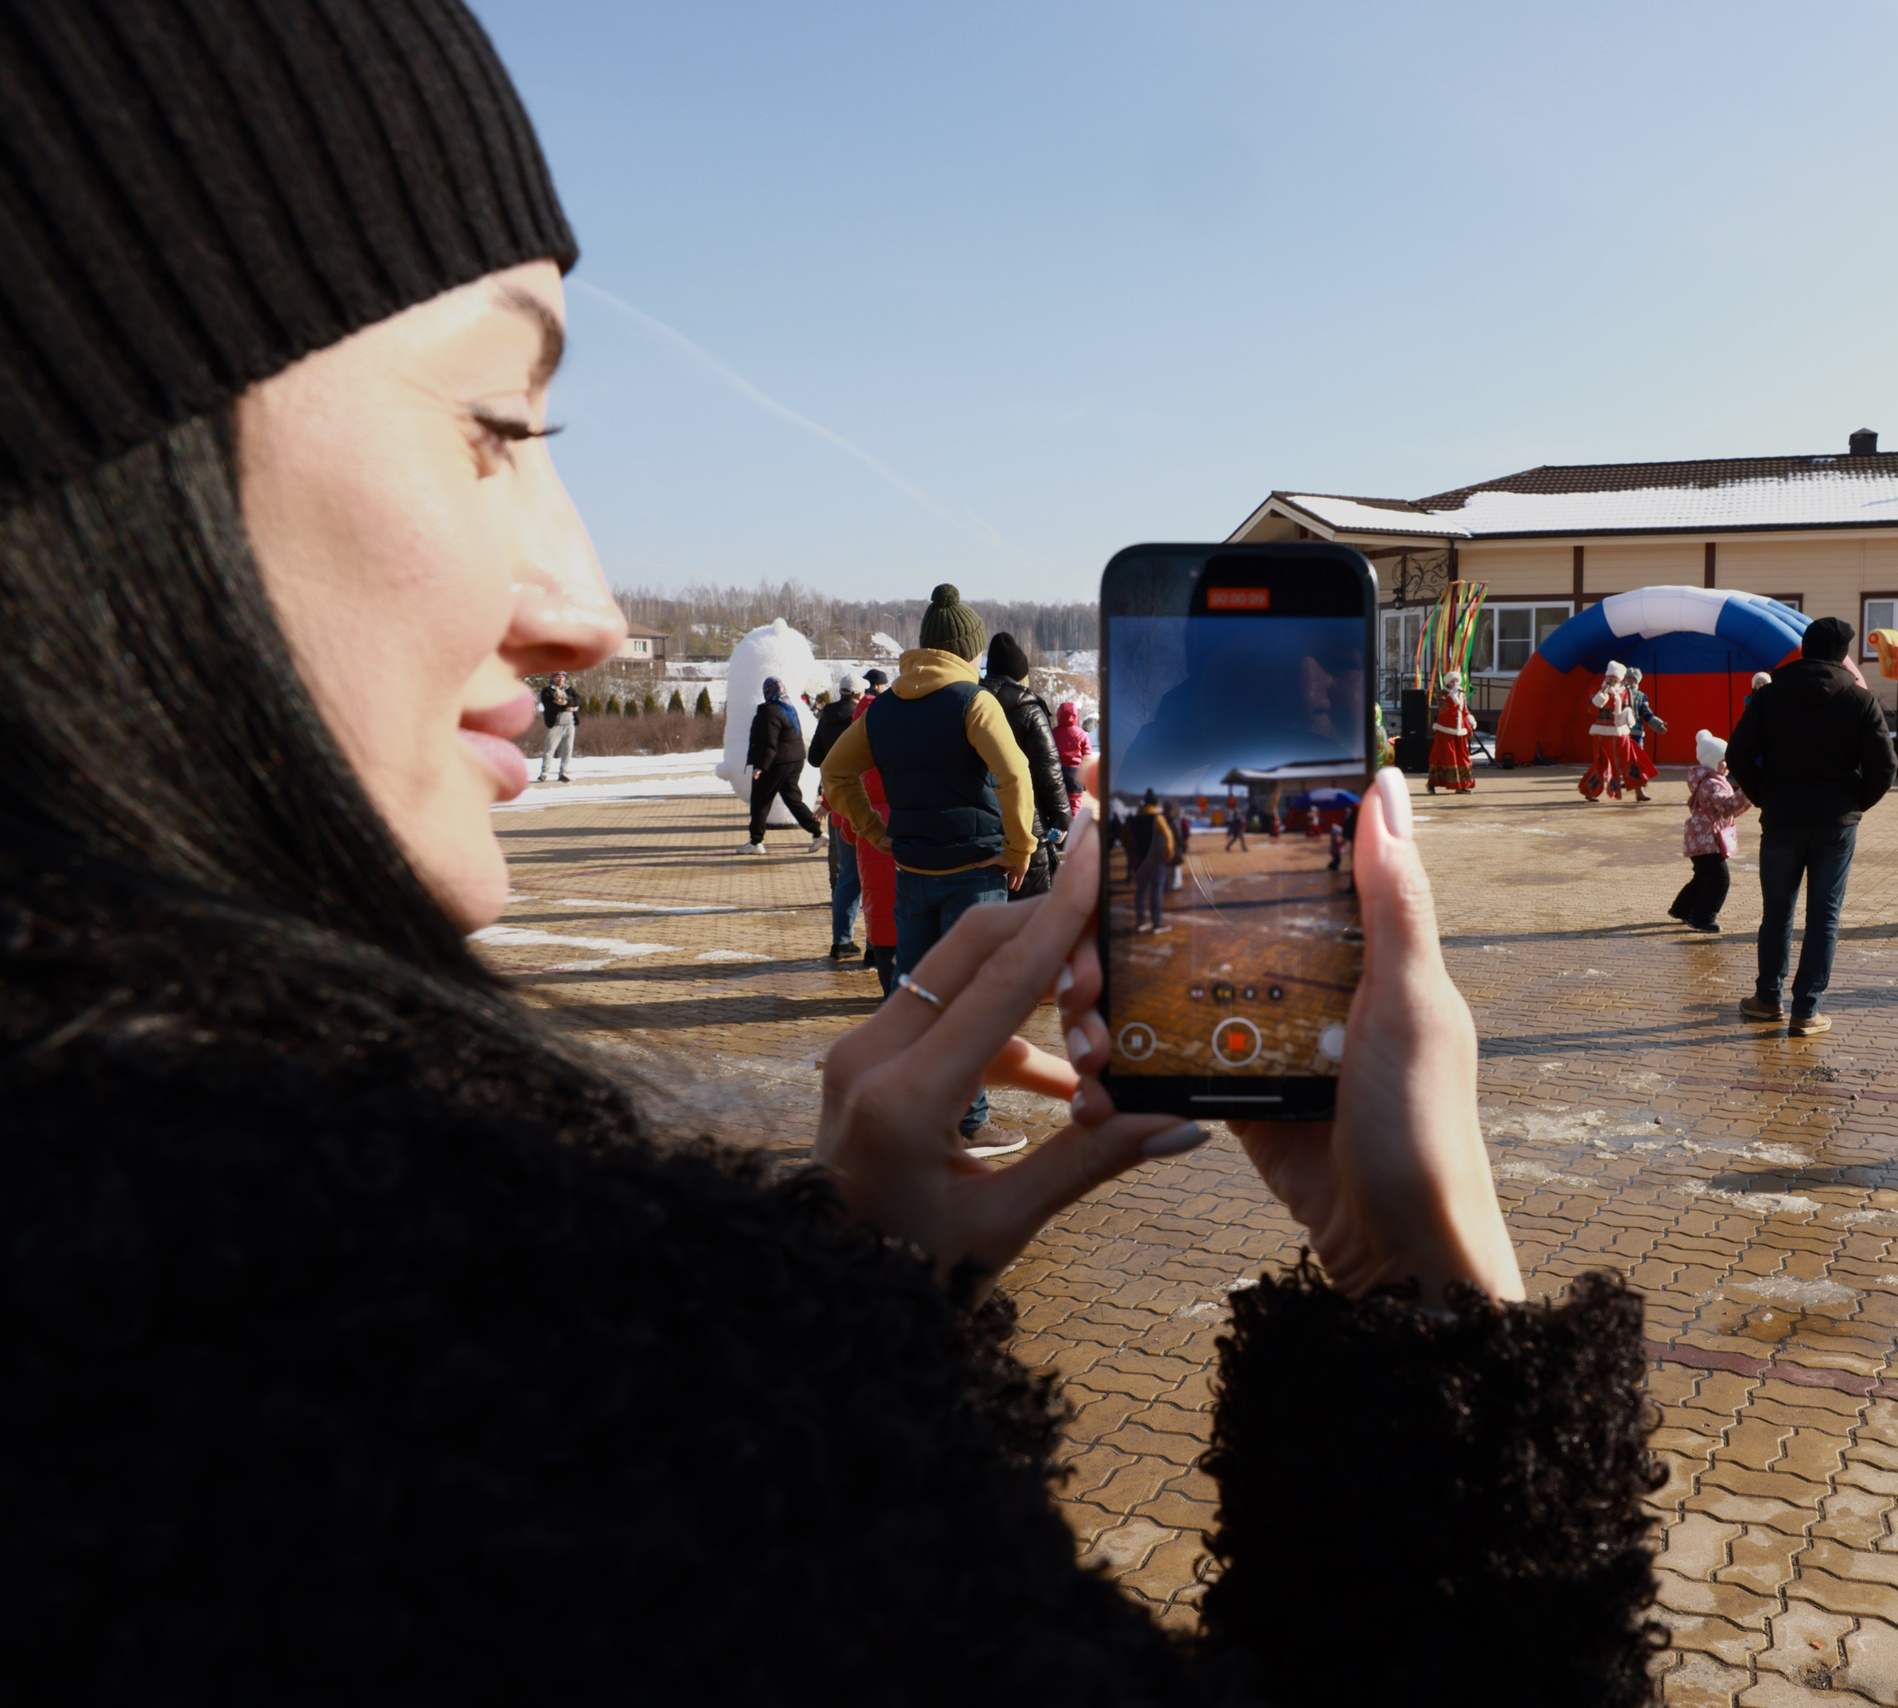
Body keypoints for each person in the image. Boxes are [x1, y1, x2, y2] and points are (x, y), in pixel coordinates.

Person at [0, 7, 1662, 1698]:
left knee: (920, 1004)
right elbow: (1033, 810)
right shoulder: (519, 1393)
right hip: (984, 893)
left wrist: (848, 867)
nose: (587, 608)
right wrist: (1420, 1293)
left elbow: (845, 780)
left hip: (897, 892)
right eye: (498, 423)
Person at [819, 585, 1037, 1152]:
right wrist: (1020, 849)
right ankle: (968, 1123)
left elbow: (835, 777)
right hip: (975, 871)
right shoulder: (974, 700)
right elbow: (1015, 776)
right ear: (966, 649)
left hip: (913, 872)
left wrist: (876, 833)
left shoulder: (884, 707)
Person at [1723, 615, 1895, 1037]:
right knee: (1824, 917)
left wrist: (1766, 794)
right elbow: (1885, 765)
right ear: (1843, 655)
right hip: (1836, 822)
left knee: (1777, 912)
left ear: (1804, 648)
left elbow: (1738, 753)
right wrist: (1855, 803)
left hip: (1782, 817)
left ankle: (1767, 999)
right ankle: (1806, 1011)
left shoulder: (1769, 697)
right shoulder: (1860, 700)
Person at [985, 632, 1073, 900]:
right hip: (1027, 817)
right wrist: (1061, 816)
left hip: (982, 817)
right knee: (1031, 909)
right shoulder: (1028, 706)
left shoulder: (971, 701)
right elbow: (1048, 768)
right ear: (1021, 673)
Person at [811, 672, 870, 960]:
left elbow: (813, 758)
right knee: (875, 878)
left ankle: (841, 941)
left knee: (847, 876)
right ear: (860, 694)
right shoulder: (866, 721)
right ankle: (877, 945)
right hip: (869, 808)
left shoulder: (826, 717)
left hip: (837, 805)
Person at [1669, 731, 1748, 932]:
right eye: (1723, 762)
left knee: (1703, 877)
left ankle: (1681, 909)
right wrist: (1747, 792)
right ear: (1712, 761)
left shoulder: (1709, 780)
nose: (1726, 766)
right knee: (1719, 880)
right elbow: (1727, 806)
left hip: (1700, 839)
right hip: (1706, 840)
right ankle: (1702, 917)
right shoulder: (1711, 783)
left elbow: (1726, 810)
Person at [739, 674, 823, 854]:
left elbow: (770, 742)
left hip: (776, 764)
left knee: (760, 801)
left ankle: (755, 842)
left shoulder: (770, 711)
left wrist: (761, 766)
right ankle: (818, 833)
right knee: (793, 800)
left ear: (768, 692)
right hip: (794, 761)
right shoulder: (788, 707)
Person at [1578, 660, 1635, 801]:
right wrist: (1602, 694)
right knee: (1601, 763)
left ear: (1619, 681)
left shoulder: (1624, 693)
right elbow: (1591, 709)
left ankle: (1638, 790)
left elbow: (1628, 709)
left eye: (1614, 680)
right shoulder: (1596, 690)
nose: (1610, 681)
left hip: (1619, 733)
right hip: (1601, 733)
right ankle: (1589, 791)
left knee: (1628, 760)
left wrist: (1627, 716)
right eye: (1609, 678)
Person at [1128, 788, 1177, 931]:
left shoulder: (1136, 818)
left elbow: (1126, 836)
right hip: (1157, 859)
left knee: (1141, 890)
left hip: (1141, 859)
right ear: (1155, 803)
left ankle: (1141, 921)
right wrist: (1169, 854)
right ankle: (1157, 922)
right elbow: (1168, 836)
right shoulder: (1157, 818)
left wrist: (1132, 851)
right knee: (1156, 890)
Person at [1427, 670, 1477, 794]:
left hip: (1459, 730)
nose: (1454, 683)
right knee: (1443, 757)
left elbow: (1464, 710)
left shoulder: (1461, 694)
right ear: (1447, 682)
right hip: (1445, 730)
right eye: (1451, 681)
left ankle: (1461, 785)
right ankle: (1431, 783)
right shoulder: (1441, 694)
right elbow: (1443, 710)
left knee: (1461, 757)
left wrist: (1470, 718)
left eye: (1456, 681)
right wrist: (1452, 697)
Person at [1622, 666, 1666, 802]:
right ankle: (1593, 791)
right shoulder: (1618, 693)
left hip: (1635, 731)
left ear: (1637, 681)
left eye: (1633, 679)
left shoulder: (1641, 696)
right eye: (1627, 677)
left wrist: (1657, 724)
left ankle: (1639, 786)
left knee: (1636, 759)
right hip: (1619, 731)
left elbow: (1646, 713)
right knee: (1617, 759)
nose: (1630, 680)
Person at [536, 670, 581, 781]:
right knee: (549, 748)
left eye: (562, 677)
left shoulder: (569, 689)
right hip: (555, 724)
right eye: (557, 677)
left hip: (570, 724)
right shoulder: (547, 691)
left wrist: (565, 702)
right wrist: (567, 707)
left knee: (568, 749)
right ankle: (544, 772)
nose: (560, 679)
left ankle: (563, 772)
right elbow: (550, 705)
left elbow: (578, 701)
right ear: (553, 678)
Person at [1051, 698, 1092, 813]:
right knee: (1074, 804)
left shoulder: (1053, 732)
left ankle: (1060, 827)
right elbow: (1087, 757)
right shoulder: (1081, 734)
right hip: (1076, 773)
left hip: (1057, 771)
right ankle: (1073, 828)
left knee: (1058, 803)